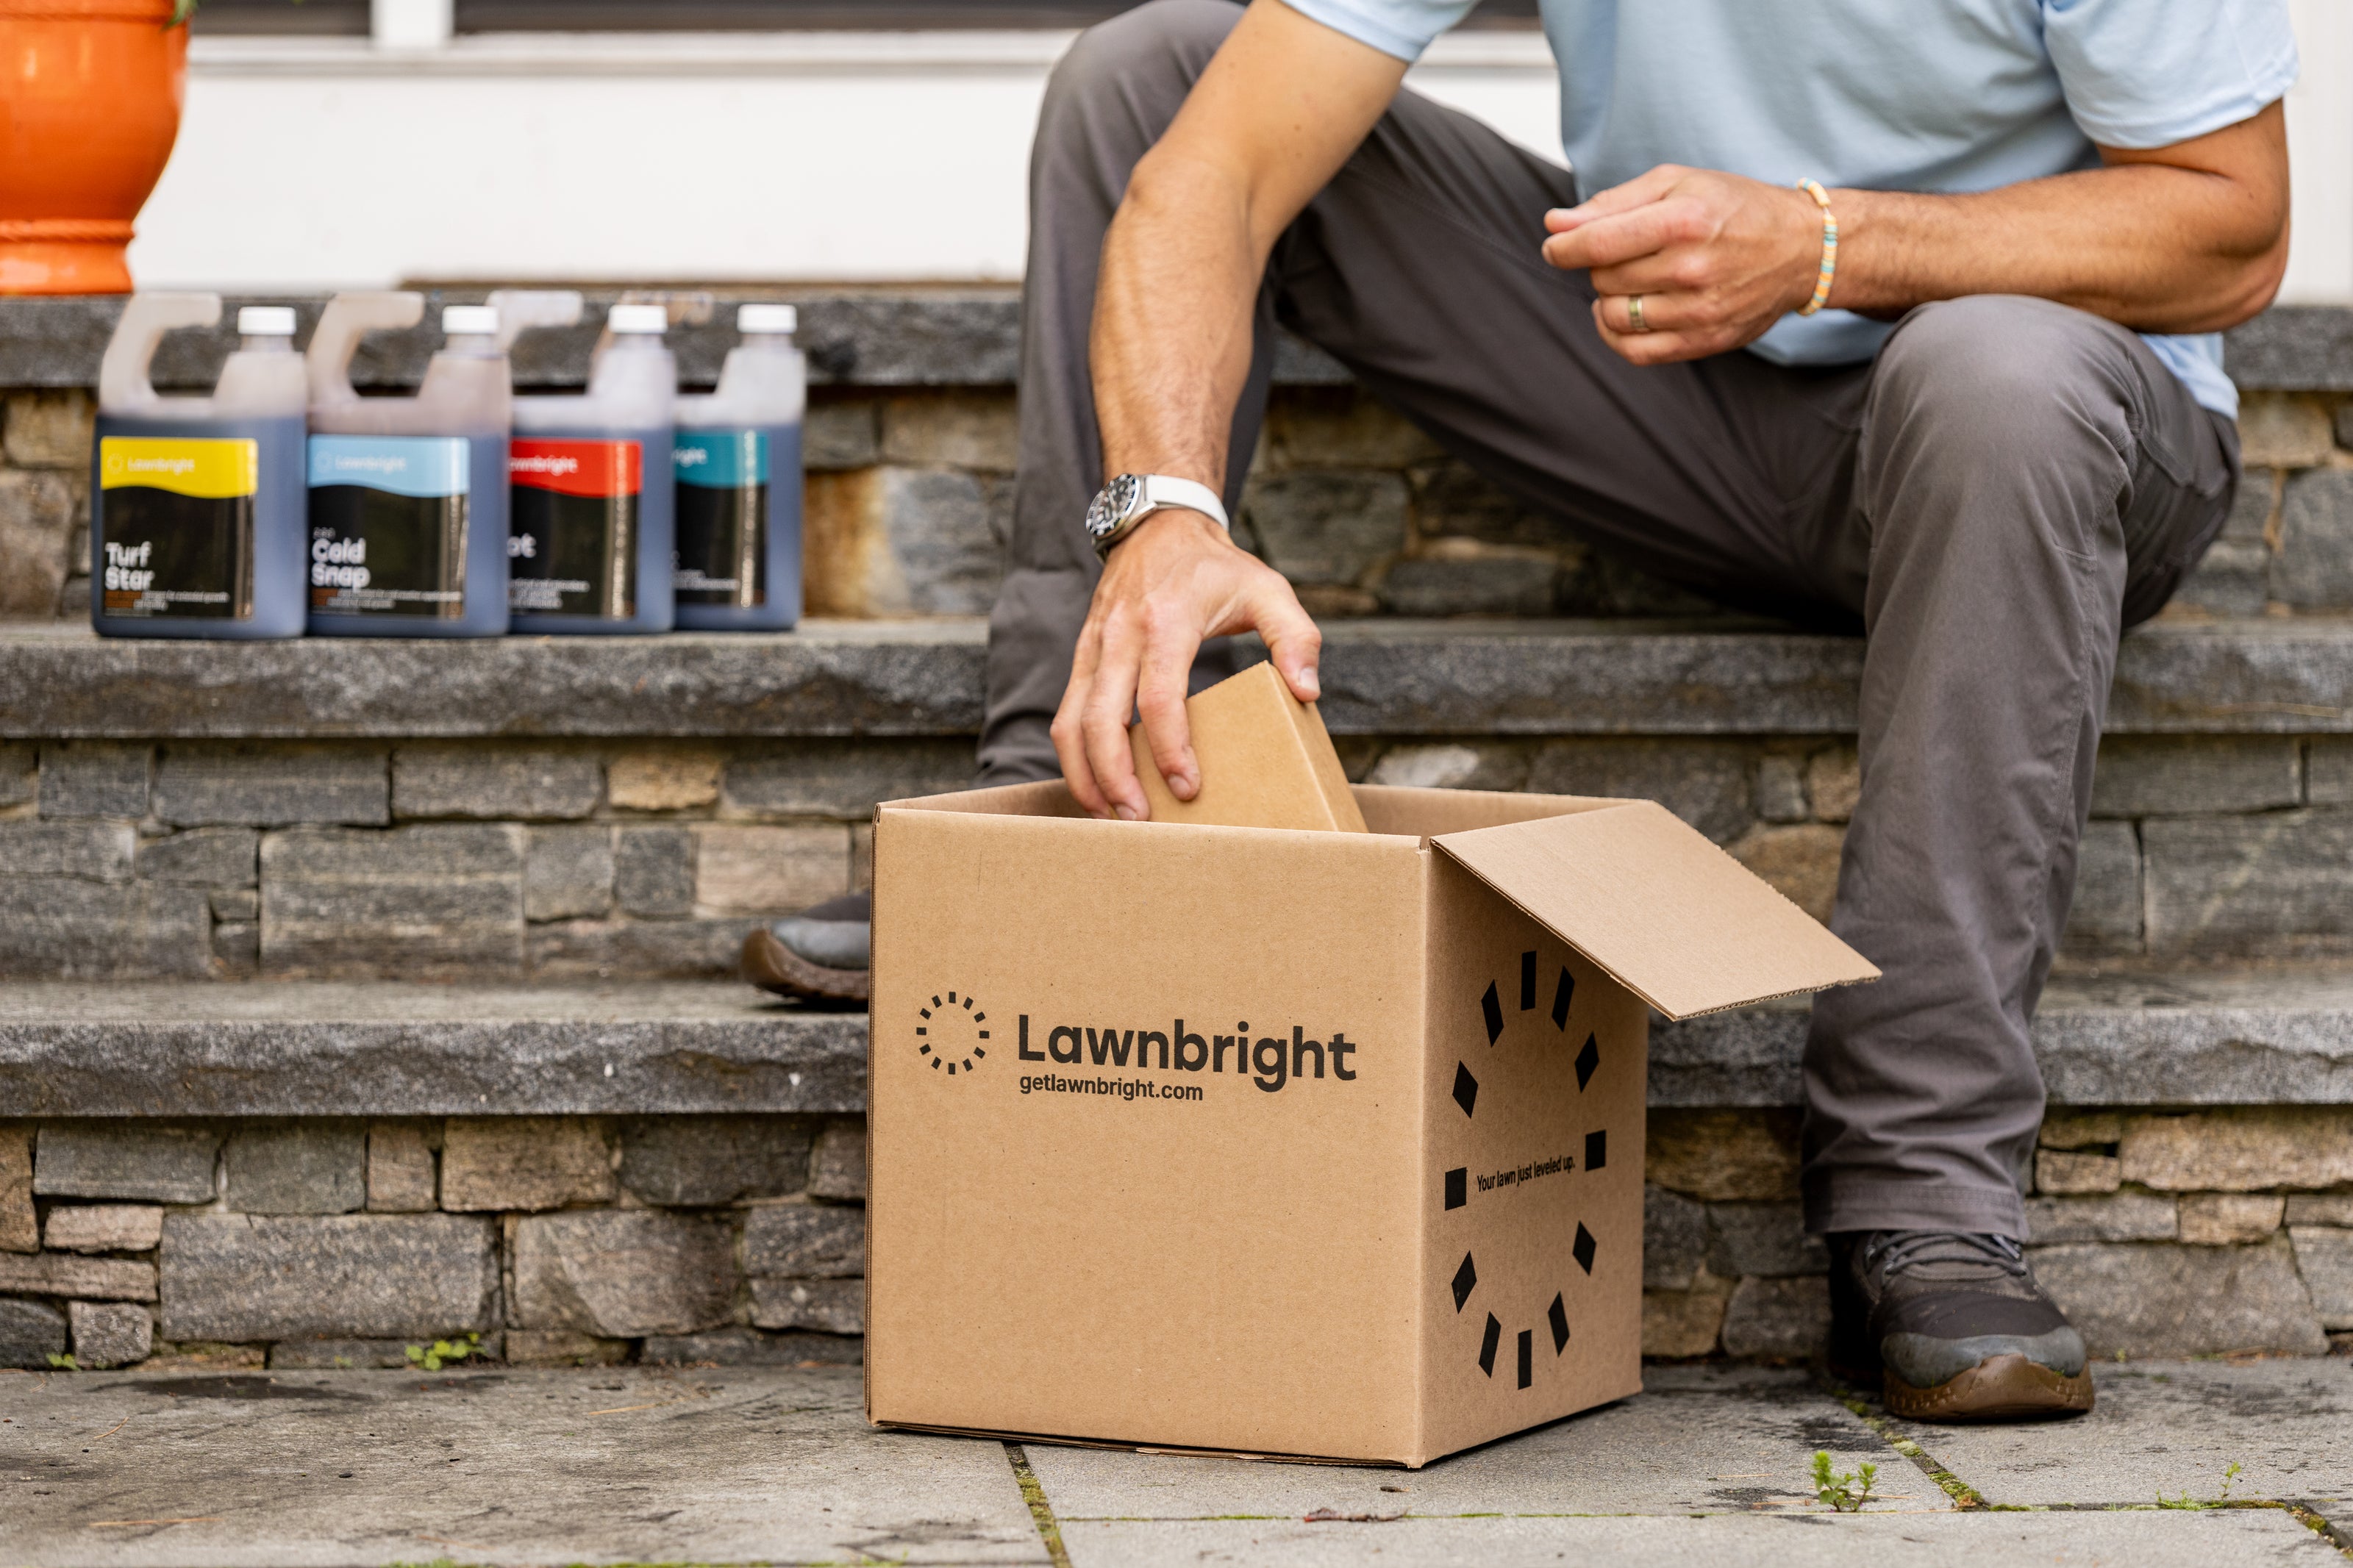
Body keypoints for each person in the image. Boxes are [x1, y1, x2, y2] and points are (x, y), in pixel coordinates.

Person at [747, 0, 2295, 1420]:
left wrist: (1830, 245)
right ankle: (1047, 827)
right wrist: (1164, 515)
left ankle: (1926, 1187)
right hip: (1685, 376)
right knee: (1147, 81)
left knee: (1995, 370)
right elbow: (1210, 171)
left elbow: (2229, 227)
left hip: (2039, 424)